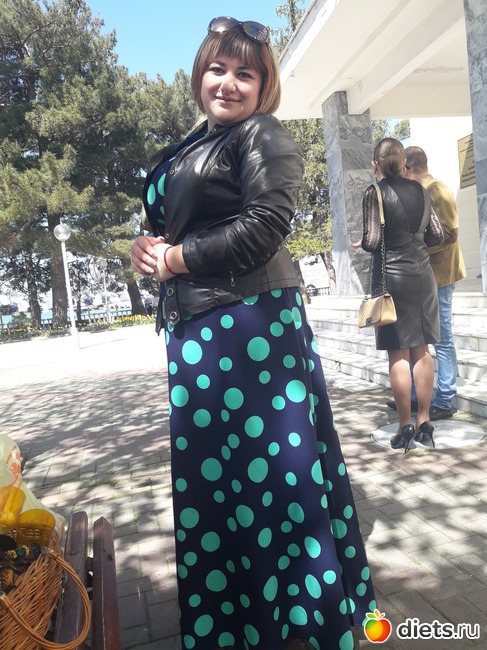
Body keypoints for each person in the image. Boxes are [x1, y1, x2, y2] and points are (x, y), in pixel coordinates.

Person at [131, 16, 375, 650]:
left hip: (250, 329)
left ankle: (304, 617)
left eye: (246, 74)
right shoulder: (195, 143)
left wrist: (176, 258)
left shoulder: (261, 133)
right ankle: (242, 617)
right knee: (221, 482)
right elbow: (172, 221)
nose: (229, 83)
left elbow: (266, 225)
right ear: (200, 73)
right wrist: (146, 247)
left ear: (263, 87)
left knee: (277, 478)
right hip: (199, 332)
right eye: (218, 68)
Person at [353, 138, 444, 452]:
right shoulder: (421, 190)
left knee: (398, 354)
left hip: (391, 280)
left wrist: (365, 242)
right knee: (422, 350)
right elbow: (437, 235)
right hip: (422, 277)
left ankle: (404, 426)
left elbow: (371, 241)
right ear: (403, 163)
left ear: (375, 166)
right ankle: (425, 423)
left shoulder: (375, 192)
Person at [401, 146, 466, 420]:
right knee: (420, 339)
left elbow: (450, 235)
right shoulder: (419, 192)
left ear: (406, 167)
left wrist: (417, 251)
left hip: (440, 275)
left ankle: (445, 397)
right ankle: (418, 397)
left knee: (443, 339)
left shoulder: (437, 191)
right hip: (424, 276)